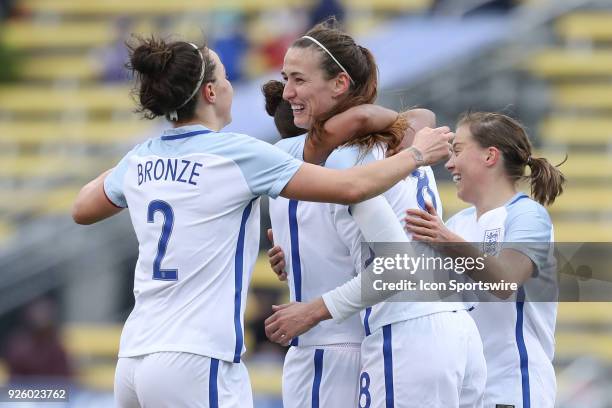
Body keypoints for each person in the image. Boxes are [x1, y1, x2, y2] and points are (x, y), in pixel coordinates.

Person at [71, 35, 453, 408]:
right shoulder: (239, 154)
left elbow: (82, 208)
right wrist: (417, 152)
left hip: (134, 357)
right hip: (196, 356)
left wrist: (145, 159)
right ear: (209, 93)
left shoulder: (140, 159)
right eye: (224, 77)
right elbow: (352, 186)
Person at [264, 20, 486, 408]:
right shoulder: (402, 138)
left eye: (298, 79)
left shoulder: (347, 158)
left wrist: (311, 311)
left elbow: (397, 265)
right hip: (454, 326)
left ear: (340, 83)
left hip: (405, 330)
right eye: (286, 79)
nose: (288, 92)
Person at [404, 112, 564, 408]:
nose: (449, 163)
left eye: (458, 151)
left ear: (490, 156)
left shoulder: (527, 215)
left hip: (513, 389)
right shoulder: (457, 223)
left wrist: (448, 242)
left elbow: (504, 281)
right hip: (464, 391)